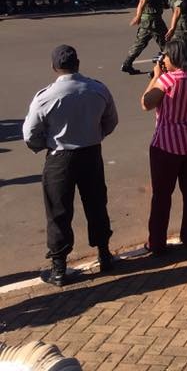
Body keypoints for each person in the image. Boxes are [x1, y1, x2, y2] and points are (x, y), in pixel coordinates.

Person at [22, 45, 118, 286]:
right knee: (96, 203)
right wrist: (94, 135)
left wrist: (46, 144)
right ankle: (104, 254)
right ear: (78, 63)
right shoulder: (97, 89)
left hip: (60, 157)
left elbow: (29, 134)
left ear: (54, 67)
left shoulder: (45, 96)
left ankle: (59, 268)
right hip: (91, 153)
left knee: (58, 211)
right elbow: (110, 121)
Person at [140, 38, 187, 255]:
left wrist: (156, 76)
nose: (164, 61)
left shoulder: (168, 80)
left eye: (166, 57)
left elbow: (146, 103)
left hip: (168, 144)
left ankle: (157, 242)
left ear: (175, 57)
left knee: (162, 195)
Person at [122, 0, 167, 74]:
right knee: (166, 42)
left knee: (140, 43)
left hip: (148, 20)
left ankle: (127, 64)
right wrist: (137, 16)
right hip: (153, 19)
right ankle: (167, 66)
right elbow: (143, 0)